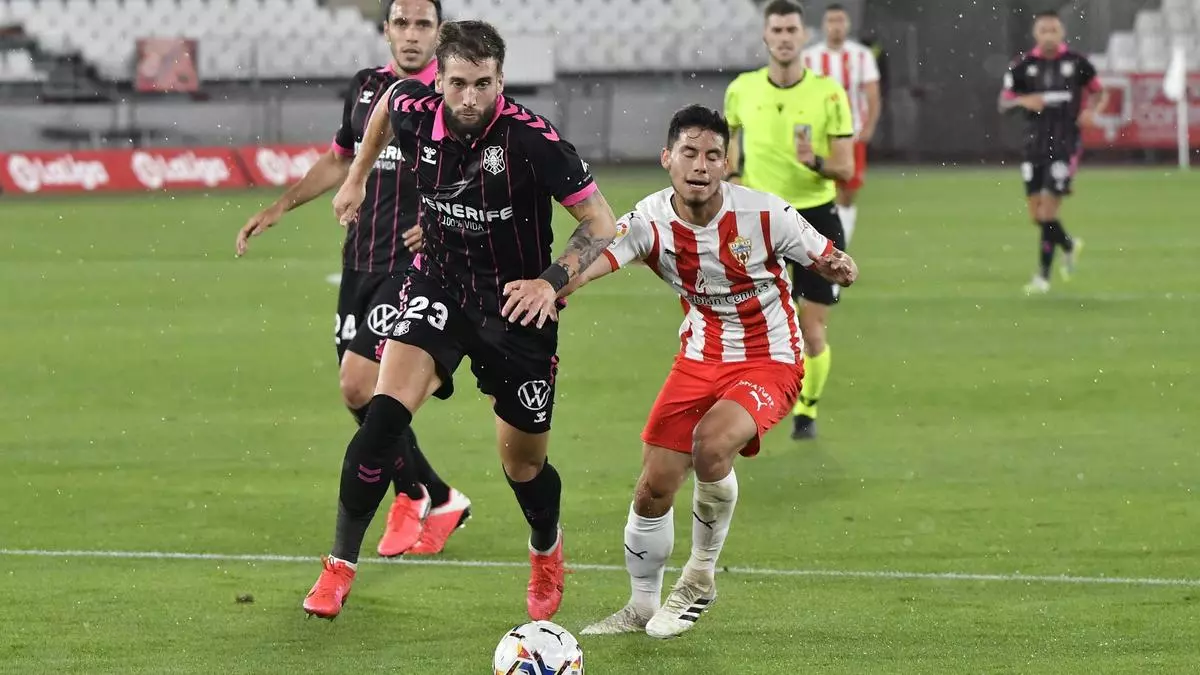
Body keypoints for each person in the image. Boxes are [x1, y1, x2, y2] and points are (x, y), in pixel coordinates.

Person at [304, 20, 618, 622]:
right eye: (458, 84)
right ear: (439, 81)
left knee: (523, 465)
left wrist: (550, 283)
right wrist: (356, 178)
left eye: (483, 84)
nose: (470, 98)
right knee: (381, 419)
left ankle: (546, 549)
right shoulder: (414, 108)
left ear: (501, 80)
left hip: (515, 307)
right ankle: (339, 566)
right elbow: (386, 108)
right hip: (440, 286)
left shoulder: (532, 140)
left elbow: (601, 223)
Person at [564, 105, 857, 638]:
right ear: (667, 158)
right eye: (690, 153)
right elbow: (594, 261)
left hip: (770, 359)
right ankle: (641, 606)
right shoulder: (650, 219)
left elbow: (830, 258)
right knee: (652, 488)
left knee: (711, 444)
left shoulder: (767, 215)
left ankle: (699, 577)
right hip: (699, 358)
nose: (700, 165)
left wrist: (840, 266)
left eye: (713, 155)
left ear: (726, 164)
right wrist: (550, 288)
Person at [234, 0, 469, 558]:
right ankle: (439, 496)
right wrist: (281, 206)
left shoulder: (453, 96)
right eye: (402, 23)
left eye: (423, 25)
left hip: (410, 269)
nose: (411, 35)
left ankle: (411, 493)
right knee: (364, 396)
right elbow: (341, 159)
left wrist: (442, 224)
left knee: (359, 385)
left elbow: (478, 173)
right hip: (358, 262)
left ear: (439, 33)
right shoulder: (366, 87)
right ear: (386, 30)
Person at [724, 0, 856, 441]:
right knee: (750, 328)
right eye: (776, 30)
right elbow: (730, 147)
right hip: (759, 221)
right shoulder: (742, 89)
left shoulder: (828, 93)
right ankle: (748, 408)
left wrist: (814, 161)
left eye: (791, 30)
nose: (783, 37)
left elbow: (845, 167)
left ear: (804, 36)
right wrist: (734, 180)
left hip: (815, 218)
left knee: (811, 330)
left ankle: (807, 410)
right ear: (766, 36)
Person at [999, 9, 1107, 295]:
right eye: (1043, 30)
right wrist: (1023, 101)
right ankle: (1069, 245)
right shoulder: (1022, 66)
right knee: (1037, 215)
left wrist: (1092, 111)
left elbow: (1099, 91)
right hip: (1033, 145)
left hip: (1064, 145)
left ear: (1062, 33)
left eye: (1053, 30)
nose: (1049, 35)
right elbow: (1004, 103)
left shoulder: (1077, 63)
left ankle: (1043, 277)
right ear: (1035, 34)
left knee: (1048, 211)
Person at [801, 3, 881, 246]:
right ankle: (821, 245)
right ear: (824, 25)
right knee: (818, 191)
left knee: (848, 193)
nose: (836, 26)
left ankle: (839, 245)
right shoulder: (809, 57)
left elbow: (872, 94)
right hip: (819, 137)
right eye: (831, 21)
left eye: (840, 21)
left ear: (847, 25)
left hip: (851, 134)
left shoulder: (862, 56)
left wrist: (869, 127)